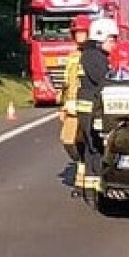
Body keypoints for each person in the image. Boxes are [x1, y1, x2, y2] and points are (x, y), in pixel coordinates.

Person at [76, 17, 119, 194]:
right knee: (96, 147)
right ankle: (97, 188)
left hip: (88, 106)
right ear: (100, 37)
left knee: (91, 147)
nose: (114, 44)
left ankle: (92, 188)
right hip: (92, 108)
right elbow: (103, 81)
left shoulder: (92, 55)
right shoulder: (94, 57)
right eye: (111, 39)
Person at [58, 14, 91, 190]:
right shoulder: (72, 56)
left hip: (86, 107)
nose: (79, 36)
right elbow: (66, 83)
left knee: (85, 141)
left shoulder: (93, 57)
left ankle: (83, 176)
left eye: (83, 32)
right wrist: (62, 105)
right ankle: (81, 163)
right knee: (67, 140)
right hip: (70, 107)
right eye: (76, 33)